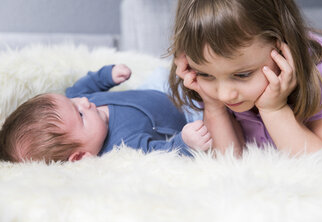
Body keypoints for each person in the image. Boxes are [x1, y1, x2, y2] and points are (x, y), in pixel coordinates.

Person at [168, 0, 322, 156]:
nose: (225, 94)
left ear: (281, 42)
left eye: (242, 75)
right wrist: (213, 106)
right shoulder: (216, 81)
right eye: (206, 74)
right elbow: (228, 163)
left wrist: (274, 110)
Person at [0, 64, 212, 163]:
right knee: (207, 120)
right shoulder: (123, 147)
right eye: (80, 115)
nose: (84, 102)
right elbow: (164, 153)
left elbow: (80, 88)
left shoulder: (82, 102)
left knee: (160, 72)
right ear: (81, 156)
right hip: (185, 113)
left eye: (72, 103)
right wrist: (185, 142)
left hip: (156, 90)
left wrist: (107, 76)